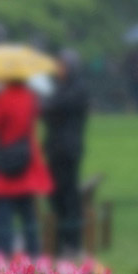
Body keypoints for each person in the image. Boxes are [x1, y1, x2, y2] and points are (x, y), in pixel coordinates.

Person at [0, 79, 53, 256]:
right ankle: (34, 251)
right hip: (25, 159)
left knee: (4, 213)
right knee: (28, 212)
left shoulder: (2, 99)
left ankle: (6, 252)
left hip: (6, 162)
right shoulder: (30, 98)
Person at [41, 49, 89, 257]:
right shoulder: (61, 88)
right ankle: (59, 239)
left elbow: (55, 107)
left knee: (68, 195)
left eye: (62, 65)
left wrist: (45, 106)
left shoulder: (77, 89)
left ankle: (72, 240)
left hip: (67, 149)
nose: (58, 69)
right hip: (55, 148)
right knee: (56, 195)